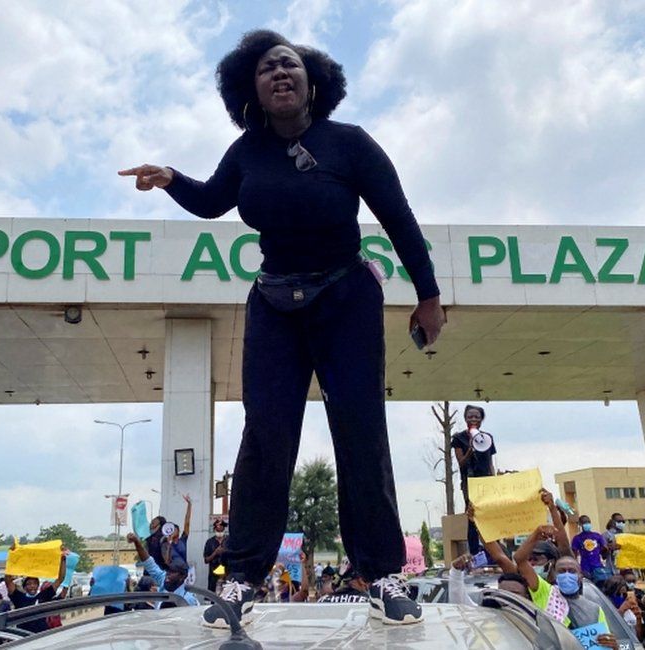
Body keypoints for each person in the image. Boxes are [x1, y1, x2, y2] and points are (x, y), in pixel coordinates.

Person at [120, 29, 444, 629]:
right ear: (254, 91)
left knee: (360, 429)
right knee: (266, 436)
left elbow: (398, 218)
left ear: (313, 81)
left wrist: (428, 296)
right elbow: (214, 201)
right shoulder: (246, 152)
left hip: (346, 296)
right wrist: (170, 178)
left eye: (289, 64)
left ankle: (383, 574)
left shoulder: (350, 144)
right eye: (267, 69)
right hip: (274, 301)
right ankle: (242, 578)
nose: (279, 73)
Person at [514, 526, 617, 648]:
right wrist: (536, 535)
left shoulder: (595, 610)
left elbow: (603, 644)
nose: (567, 574)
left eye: (571, 571)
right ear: (555, 575)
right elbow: (519, 559)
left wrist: (613, 646)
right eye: (562, 571)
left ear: (580, 575)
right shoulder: (545, 592)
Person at [451, 405, 496, 555]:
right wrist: (470, 450)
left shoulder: (487, 437)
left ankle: (493, 553)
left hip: (486, 482)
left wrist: (494, 480)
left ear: (482, 419)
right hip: (470, 482)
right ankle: (475, 553)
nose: (473, 419)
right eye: (470, 416)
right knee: (472, 517)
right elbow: (461, 463)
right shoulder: (458, 438)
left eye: (477, 416)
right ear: (465, 418)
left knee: (489, 516)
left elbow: (490, 462)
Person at [126, 532, 199, 607]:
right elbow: (148, 562)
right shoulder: (163, 579)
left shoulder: (188, 599)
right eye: (168, 570)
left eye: (173, 572)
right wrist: (136, 542)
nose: (168, 574)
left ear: (182, 577)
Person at [4, 550, 67, 634]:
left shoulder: (44, 596)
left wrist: (63, 559)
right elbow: (8, 581)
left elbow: (60, 579)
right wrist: (12, 557)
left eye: (34, 583)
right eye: (29, 584)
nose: (32, 586)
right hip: (23, 636)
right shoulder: (19, 597)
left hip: (41, 636)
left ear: (38, 585)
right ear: (25, 587)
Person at [571, 514, 608, 583]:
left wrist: (601, 551)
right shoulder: (577, 538)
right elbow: (574, 553)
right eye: (584, 523)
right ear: (580, 525)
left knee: (600, 584)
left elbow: (605, 547)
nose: (587, 524)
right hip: (585, 567)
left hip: (597, 566)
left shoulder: (597, 535)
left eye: (588, 522)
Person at [203, 518, 228, 592]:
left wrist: (225, 551)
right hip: (214, 575)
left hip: (227, 574)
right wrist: (215, 553)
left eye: (221, 530)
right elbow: (206, 560)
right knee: (212, 596)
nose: (220, 532)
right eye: (218, 530)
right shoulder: (210, 542)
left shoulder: (229, 541)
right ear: (214, 530)